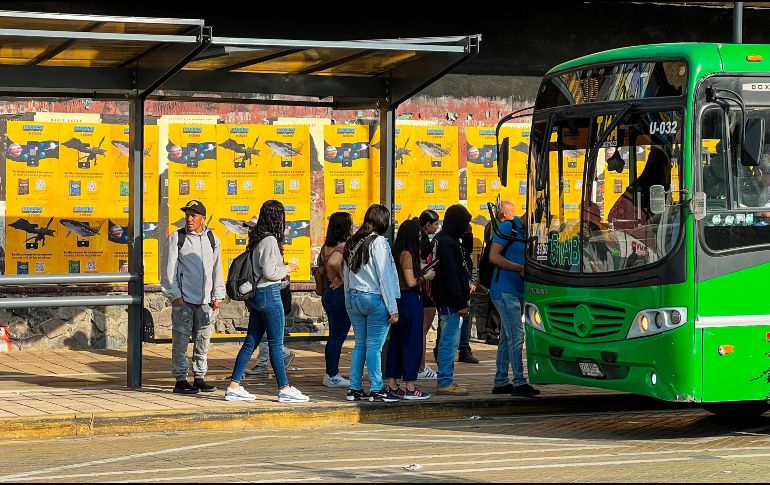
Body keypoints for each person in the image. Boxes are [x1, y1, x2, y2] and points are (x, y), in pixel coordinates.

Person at [224, 200, 309, 404]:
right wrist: (287, 269)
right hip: (269, 294)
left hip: (256, 296)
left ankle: (234, 386)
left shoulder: (256, 237)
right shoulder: (270, 240)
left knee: (250, 342)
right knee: (276, 344)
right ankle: (284, 388)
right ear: (278, 219)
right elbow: (270, 272)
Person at [161, 199, 225, 395]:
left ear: (202, 218)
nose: (189, 219)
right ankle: (180, 379)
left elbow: (217, 269)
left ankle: (199, 377)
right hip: (184, 300)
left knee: (202, 340)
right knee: (180, 341)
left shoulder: (213, 239)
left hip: (206, 301)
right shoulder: (177, 238)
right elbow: (168, 270)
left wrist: (218, 294)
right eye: (187, 215)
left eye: (193, 215)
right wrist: (174, 296)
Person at [343, 204, 400, 402]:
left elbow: (346, 276)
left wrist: (348, 301)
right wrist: (393, 308)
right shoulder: (379, 243)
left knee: (360, 344)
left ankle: (354, 388)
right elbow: (384, 276)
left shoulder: (353, 242)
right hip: (374, 298)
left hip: (354, 297)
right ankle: (376, 388)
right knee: (374, 347)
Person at [488, 210, 540, 397]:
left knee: (507, 336)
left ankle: (501, 381)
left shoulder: (529, 233)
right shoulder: (508, 227)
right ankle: (519, 381)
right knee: (517, 336)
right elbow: (493, 257)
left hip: (518, 291)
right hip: (504, 290)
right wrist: (519, 268)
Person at [384, 219, 435, 400]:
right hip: (410, 299)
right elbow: (412, 281)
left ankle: (392, 383)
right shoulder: (407, 254)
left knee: (397, 342)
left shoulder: (397, 252)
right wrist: (426, 276)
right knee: (412, 342)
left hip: (400, 300)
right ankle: (411, 387)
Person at [242, 213, 296, 377]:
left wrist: (287, 269)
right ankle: (278, 377)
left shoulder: (267, 242)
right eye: (248, 227)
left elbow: (270, 272)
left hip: (271, 291)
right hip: (260, 293)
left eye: (252, 227)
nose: (249, 230)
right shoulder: (260, 243)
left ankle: (270, 368)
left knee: (269, 338)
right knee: (257, 339)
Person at [432, 204, 473, 396]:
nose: (466, 228)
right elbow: (452, 275)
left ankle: (447, 379)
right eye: (464, 224)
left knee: (447, 341)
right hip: (451, 301)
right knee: (449, 342)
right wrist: (460, 303)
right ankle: (445, 381)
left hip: (447, 299)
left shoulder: (444, 240)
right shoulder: (448, 244)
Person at [319, 212, 354, 388]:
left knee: (334, 335)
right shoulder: (342, 246)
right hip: (339, 292)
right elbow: (333, 263)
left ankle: (331, 372)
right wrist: (341, 278)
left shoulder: (326, 246)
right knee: (337, 337)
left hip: (328, 293)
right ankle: (332, 374)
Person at [477, 201, 516, 345]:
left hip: (499, 268)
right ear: (505, 213)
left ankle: (495, 332)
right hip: (496, 268)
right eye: (512, 211)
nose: (514, 214)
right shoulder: (498, 227)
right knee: (496, 302)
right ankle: (491, 333)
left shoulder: (497, 226)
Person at [608, 146, 671, 230]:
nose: (669, 169)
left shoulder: (636, 186)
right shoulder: (653, 190)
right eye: (668, 165)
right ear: (663, 166)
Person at [416, 209, 440, 380]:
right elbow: (423, 263)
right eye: (435, 224)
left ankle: (419, 365)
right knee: (422, 330)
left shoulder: (417, 239)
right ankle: (421, 366)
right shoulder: (424, 241)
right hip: (425, 288)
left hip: (419, 288)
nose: (437, 227)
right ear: (427, 225)